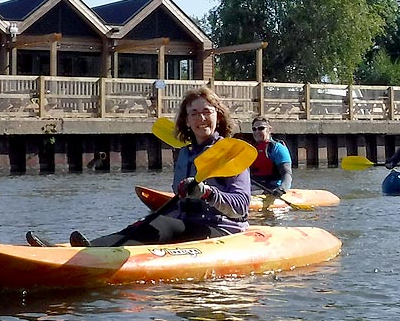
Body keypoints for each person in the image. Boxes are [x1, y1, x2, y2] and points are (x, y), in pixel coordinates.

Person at [26, 87, 251, 247]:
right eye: (194, 113)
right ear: (187, 122)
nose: (201, 118)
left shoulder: (231, 151)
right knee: (146, 224)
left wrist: (207, 192)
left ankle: (90, 252)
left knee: (159, 225)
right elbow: (180, 204)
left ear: (218, 116)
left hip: (223, 231)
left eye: (207, 112)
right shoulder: (185, 153)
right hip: (187, 224)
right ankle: (73, 250)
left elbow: (241, 207)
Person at [248, 115, 292, 197]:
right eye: (254, 129)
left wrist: (282, 189)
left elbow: (287, 174)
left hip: (272, 188)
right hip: (254, 186)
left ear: (269, 130)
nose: (257, 131)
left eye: (261, 128)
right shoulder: (251, 149)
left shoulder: (277, 148)